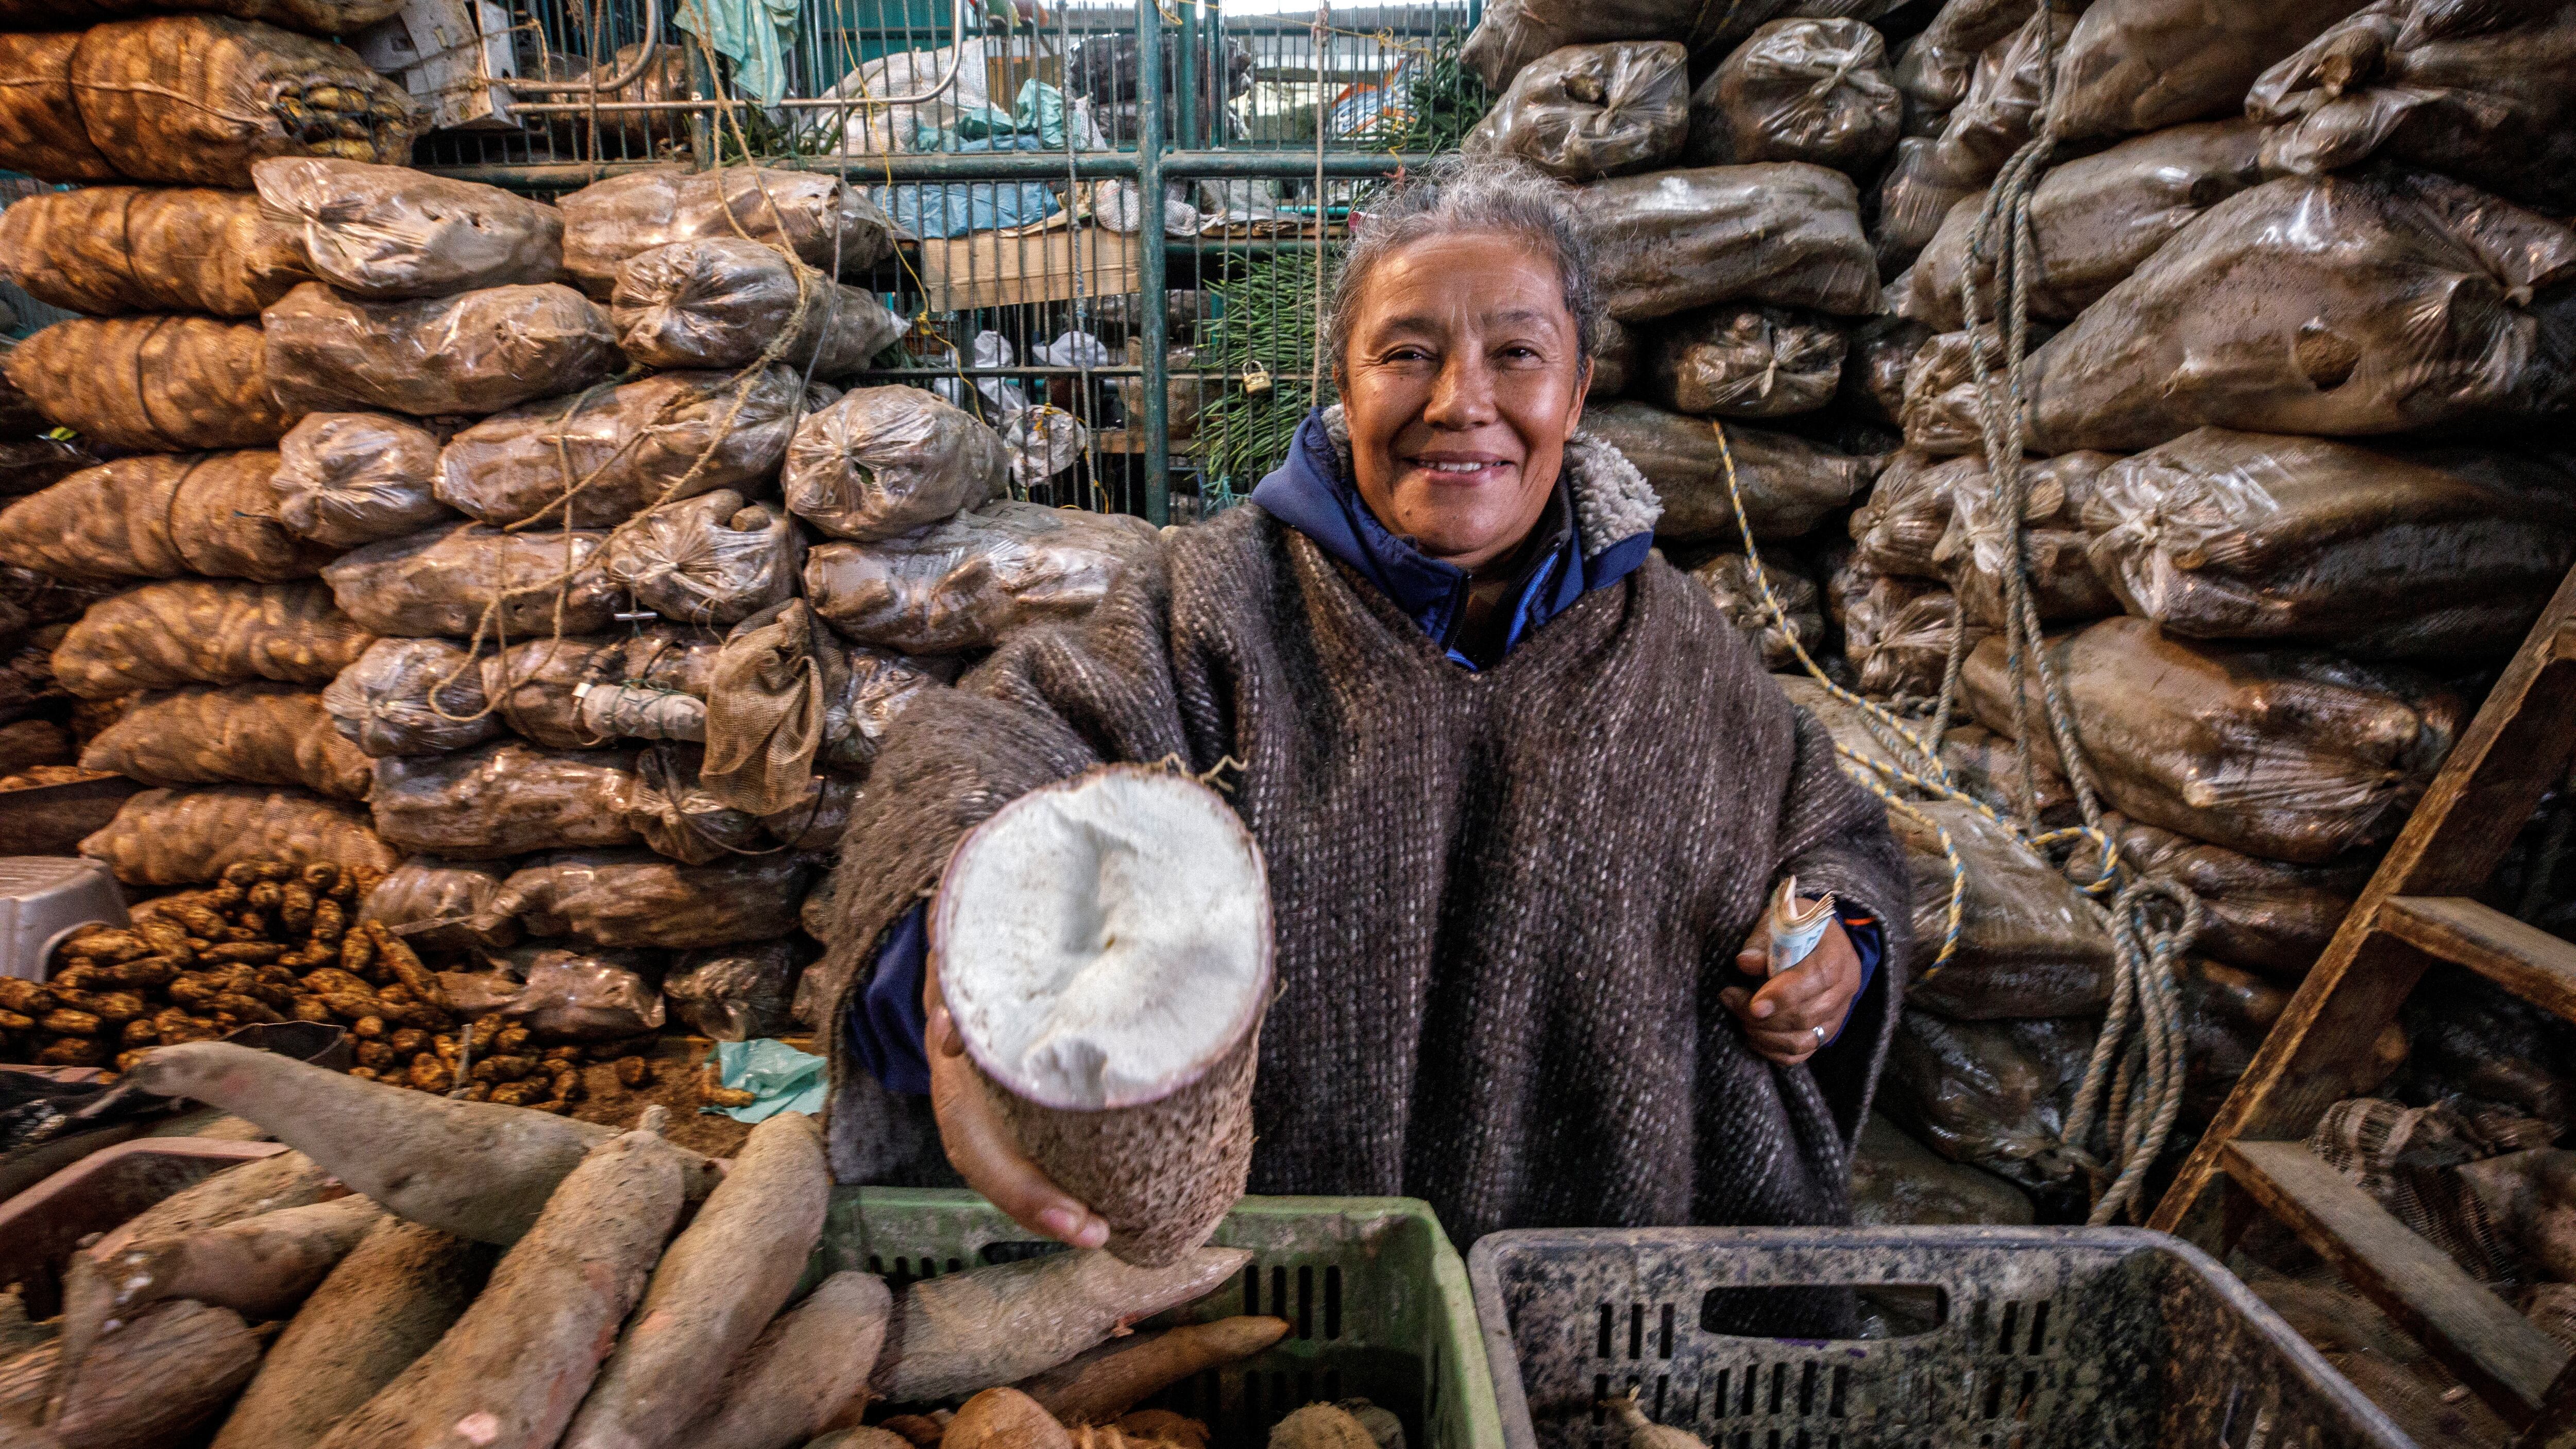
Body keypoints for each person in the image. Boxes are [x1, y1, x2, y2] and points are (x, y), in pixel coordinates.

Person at [818, 152, 1907, 1251]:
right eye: (1407, 354)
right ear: (1343, 384)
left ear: (1576, 392)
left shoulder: (1673, 643)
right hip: (1272, 1268)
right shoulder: (1212, 607)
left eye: (1517, 354)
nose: (1460, 402)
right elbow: (991, 744)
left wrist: (1837, 947)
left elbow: (1825, 825)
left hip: (1591, 1274)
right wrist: (956, 954)